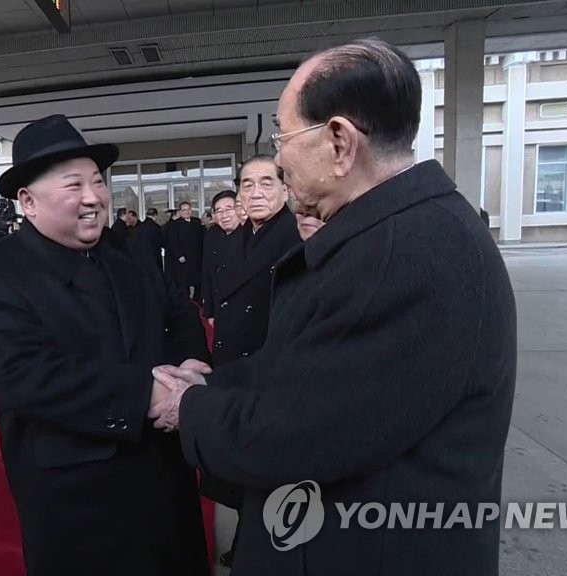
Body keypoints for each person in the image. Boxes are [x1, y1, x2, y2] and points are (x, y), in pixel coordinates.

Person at [149, 39, 517, 575]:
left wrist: (188, 408)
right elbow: (308, 367)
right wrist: (212, 383)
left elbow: (297, 433)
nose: (278, 159)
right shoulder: (393, 232)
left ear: (340, 142)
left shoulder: (405, 255)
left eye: (283, 138)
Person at [0, 114, 211, 576]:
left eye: (97, 181)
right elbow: (25, 376)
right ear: (28, 202)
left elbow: (177, 306)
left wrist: (191, 363)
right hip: (81, 500)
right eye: (74, 185)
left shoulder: (126, 248)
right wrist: (147, 393)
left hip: (165, 475)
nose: (94, 197)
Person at [201, 157, 301, 567]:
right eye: (247, 184)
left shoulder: (296, 236)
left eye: (266, 183)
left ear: (285, 189)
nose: (255, 193)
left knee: (263, 468)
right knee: (239, 466)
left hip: (268, 369)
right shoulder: (238, 237)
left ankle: (259, 547)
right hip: (232, 363)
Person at [200, 190, 241, 326]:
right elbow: (207, 273)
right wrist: (210, 311)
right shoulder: (212, 235)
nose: (224, 215)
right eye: (219, 211)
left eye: (229, 209)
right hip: (219, 307)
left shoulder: (250, 235)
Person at [164, 200, 204, 300]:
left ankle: (197, 303)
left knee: (198, 283)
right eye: (184, 210)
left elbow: (202, 239)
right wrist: (179, 255)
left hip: (197, 258)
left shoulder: (197, 222)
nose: (187, 212)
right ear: (180, 212)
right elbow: (173, 242)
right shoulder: (175, 225)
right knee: (184, 284)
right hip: (183, 259)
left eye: (188, 209)